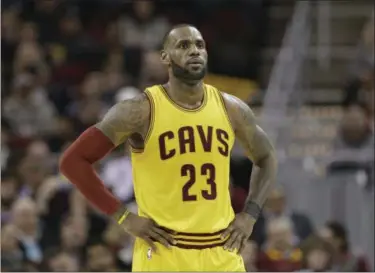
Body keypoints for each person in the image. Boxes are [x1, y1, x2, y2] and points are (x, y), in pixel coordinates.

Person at [59, 24, 277, 271]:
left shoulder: (232, 109)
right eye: (183, 45)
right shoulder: (139, 110)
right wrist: (122, 216)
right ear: (165, 57)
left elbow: (266, 156)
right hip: (165, 251)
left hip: (221, 252)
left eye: (199, 45)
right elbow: (73, 162)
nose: (194, 51)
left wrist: (249, 215)